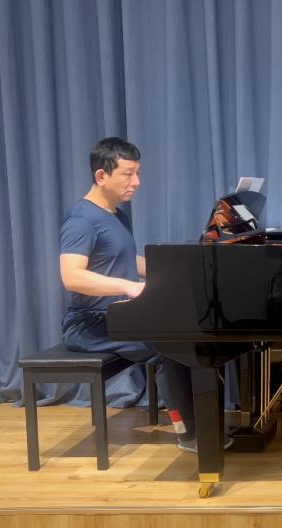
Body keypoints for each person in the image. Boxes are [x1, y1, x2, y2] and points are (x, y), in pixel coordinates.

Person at [58, 137, 206, 453]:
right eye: (128, 174)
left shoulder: (116, 215)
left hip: (120, 316)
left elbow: (127, 261)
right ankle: (189, 433)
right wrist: (127, 286)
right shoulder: (81, 221)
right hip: (90, 324)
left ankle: (205, 420)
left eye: (137, 173)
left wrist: (174, 270)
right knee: (168, 347)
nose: (136, 182)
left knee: (188, 335)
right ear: (101, 176)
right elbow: (72, 277)